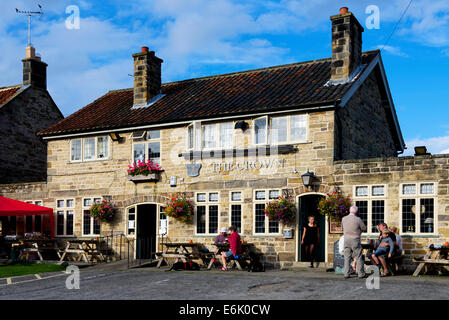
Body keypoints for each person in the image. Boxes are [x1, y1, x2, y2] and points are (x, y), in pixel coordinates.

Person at [342, 205, 367, 279]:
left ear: (350, 211)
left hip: (346, 239)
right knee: (358, 257)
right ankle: (361, 274)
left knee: (347, 257)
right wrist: (359, 232)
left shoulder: (344, 219)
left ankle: (346, 273)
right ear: (356, 212)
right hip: (355, 239)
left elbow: (343, 228)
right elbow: (364, 228)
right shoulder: (358, 219)